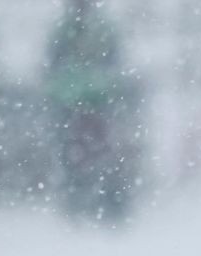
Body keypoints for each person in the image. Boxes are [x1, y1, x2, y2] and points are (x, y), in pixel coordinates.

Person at [45, 0, 137, 222]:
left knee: (93, 154)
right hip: (77, 100)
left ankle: (97, 202)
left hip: (93, 99)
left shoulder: (97, 28)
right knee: (78, 154)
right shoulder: (67, 29)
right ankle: (83, 202)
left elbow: (114, 61)